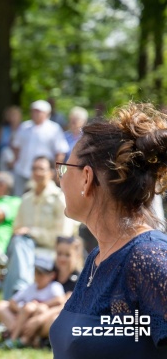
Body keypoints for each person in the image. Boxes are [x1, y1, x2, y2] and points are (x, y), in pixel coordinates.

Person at [49, 103, 167, 358]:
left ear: (86, 178)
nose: (59, 179)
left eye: (64, 168)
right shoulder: (98, 258)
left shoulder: (149, 258)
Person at [2, 156, 76, 299]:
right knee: (20, 244)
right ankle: (20, 293)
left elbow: (63, 235)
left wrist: (33, 233)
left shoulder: (59, 198)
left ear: (51, 173)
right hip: (23, 248)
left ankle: (17, 296)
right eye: (34, 169)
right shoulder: (26, 199)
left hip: (48, 251)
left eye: (41, 169)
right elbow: (16, 229)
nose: (37, 172)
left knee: (19, 249)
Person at [17, 235, 82, 348]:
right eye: (59, 253)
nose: (62, 258)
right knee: (3, 307)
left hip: (57, 315)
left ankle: (28, 336)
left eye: (67, 255)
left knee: (54, 321)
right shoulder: (49, 271)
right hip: (38, 310)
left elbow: (65, 306)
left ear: (76, 255)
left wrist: (40, 319)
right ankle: (33, 337)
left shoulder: (78, 279)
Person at [0, 255, 65, 349]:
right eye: (36, 273)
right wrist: (21, 310)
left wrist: (39, 305)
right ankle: (20, 338)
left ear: (52, 275)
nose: (38, 277)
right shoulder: (30, 287)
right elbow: (12, 301)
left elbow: (60, 300)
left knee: (40, 309)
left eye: (42, 274)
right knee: (3, 305)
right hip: (24, 317)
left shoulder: (54, 287)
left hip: (42, 319)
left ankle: (20, 338)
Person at [12, 100, 69, 196]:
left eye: (38, 111)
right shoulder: (24, 126)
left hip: (42, 173)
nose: (35, 114)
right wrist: (16, 161)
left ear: (47, 113)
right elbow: (16, 146)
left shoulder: (54, 128)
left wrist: (56, 171)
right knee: (19, 197)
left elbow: (60, 152)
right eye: (33, 111)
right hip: (22, 170)